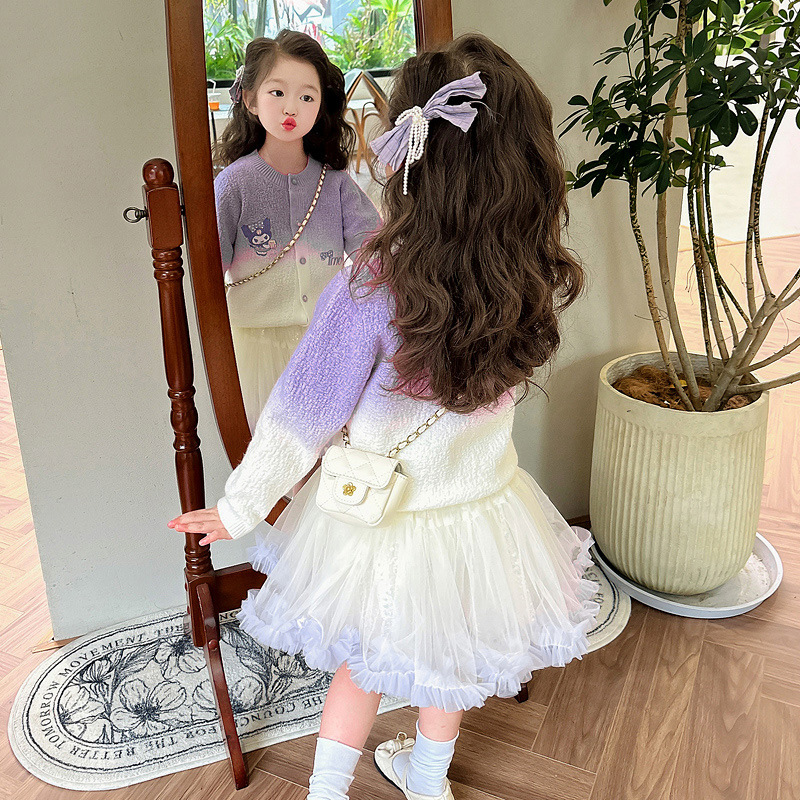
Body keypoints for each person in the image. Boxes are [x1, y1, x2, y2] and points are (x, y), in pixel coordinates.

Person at [171, 33, 601, 800]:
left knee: (362, 665)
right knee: (450, 658)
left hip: (382, 521)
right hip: (482, 513)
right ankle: (428, 781)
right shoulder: (528, 273)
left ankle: (326, 791)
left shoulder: (373, 282)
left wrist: (238, 508)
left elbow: (302, 413)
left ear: (411, 158)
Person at [214, 30, 380, 429]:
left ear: (321, 106)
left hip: (326, 342)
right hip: (255, 344)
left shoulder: (335, 184)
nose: (292, 107)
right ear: (250, 100)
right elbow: (208, 270)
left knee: (328, 445)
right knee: (266, 443)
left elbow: (375, 254)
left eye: (307, 97)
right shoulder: (234, 184)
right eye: (277, 93)